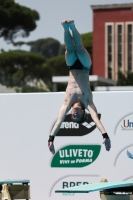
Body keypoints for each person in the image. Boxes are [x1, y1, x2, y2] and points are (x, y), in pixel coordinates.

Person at [48, 20, 111, 154]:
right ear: (83, 112)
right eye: (77, 115)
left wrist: (51, 138)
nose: (74, 114)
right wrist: (105, 135)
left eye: (73, 116)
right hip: (84, 66)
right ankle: (73, 26)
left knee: (70, 49)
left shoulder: (67, 102)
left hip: (72, 66)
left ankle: (66, 29)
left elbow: (59, 121)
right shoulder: (87, 101)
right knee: (79, 48)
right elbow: (95, 119)